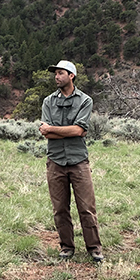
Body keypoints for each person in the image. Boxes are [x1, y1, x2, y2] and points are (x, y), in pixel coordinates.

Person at [39, 60, 104, 263]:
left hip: (78, 162)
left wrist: (53, 129)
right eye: (55, 74)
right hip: (55, 161)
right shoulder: (48, 101)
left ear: (71, 76)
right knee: (60, 208)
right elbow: (46, 134)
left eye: (60, 73)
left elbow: (80, 130)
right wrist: (65, 131)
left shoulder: (85, 100)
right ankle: (66, 247)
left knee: (86, 208)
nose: (56, 77)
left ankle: (94, 248)